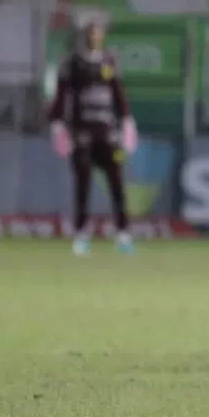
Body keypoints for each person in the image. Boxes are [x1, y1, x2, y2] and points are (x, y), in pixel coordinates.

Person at [49, 19, 138, 255]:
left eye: (98, 33)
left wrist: (127, 120)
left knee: (117, 182)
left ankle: (123, 234)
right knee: (83, 183)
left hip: (107, 132)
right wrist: (57, 123)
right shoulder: (72, 64)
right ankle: (81, 234)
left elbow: (118, 92)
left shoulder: (109, 62)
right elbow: (61, 94)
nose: (95, 37)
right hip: (81, 133)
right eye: (91, 33)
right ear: (84, 36)